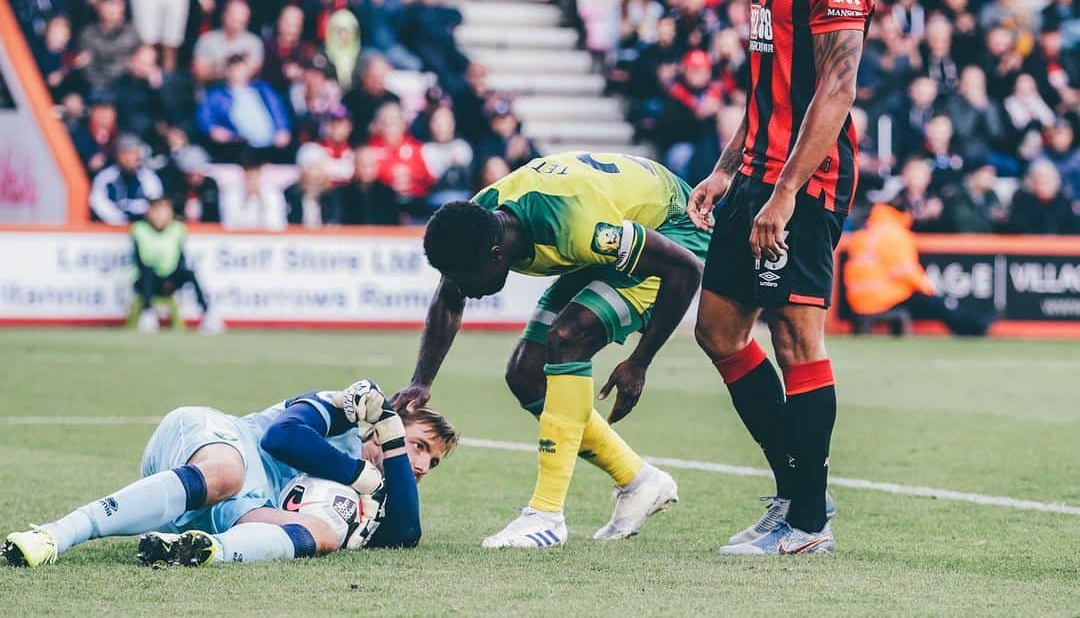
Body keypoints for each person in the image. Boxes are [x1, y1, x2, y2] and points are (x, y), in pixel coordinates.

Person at [689, 0, 895, 556]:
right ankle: (799, 489)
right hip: (755, 175)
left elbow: (836, 89)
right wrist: (726, 170)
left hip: (802, 183)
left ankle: (808, 523)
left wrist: (784, 193)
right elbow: (767, 87)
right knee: (717, 331)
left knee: (794, 339)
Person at [392, 151, 710, 548]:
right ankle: (641, 481)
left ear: (496, 256)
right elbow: (449, 297)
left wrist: (639, 362)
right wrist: (422, 381)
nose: (465, 289)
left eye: (466, 279)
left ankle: (546, 516)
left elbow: (685, 270)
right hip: (617, 222)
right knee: (526, 373)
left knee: (567, 339)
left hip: (676, 228)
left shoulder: (578, 227)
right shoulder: (479, 220)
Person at [3, 381, 457, 567]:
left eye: (430, 462)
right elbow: (282, 439)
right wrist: (361, 468)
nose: (419, 465)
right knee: (226, 474)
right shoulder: (348, 413)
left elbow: (406, 532)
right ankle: (55, 535)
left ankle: (196, 550)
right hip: (213, 444)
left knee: (325, 531)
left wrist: (395, 443)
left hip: (236, 514)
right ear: (387, 419)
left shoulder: (373, 490)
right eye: (419, 446)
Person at [844, 203, 991, 336]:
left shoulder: (865, 232)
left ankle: (970, 325)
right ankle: (970, 328)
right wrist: (927, 288)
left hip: (858, 299)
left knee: (932, 302)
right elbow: (905, 271)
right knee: (936, 304)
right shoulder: (893, 234)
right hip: (882, 298)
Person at [130, 197, 221, 335]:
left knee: (189, 273)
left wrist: (170, 280)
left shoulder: (177, 229)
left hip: (170, 278)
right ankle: (147, 313)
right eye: (158, 212)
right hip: (146, 280)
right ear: (150, 212)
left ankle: (207, 314)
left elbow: (180, 258)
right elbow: (140, 261)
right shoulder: (139, 229)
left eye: (166, 212)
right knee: (148, 271)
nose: (162, 216)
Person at [89, 133, 164, 225]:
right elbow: (98, 203)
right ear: (118, 155)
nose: (130, 158)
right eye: (126, 153)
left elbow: (156, 203)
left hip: (143, 227)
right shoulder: (105, 177)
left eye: (134, 153)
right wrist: (123, 220)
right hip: (113, 230)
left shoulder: (148, 177)